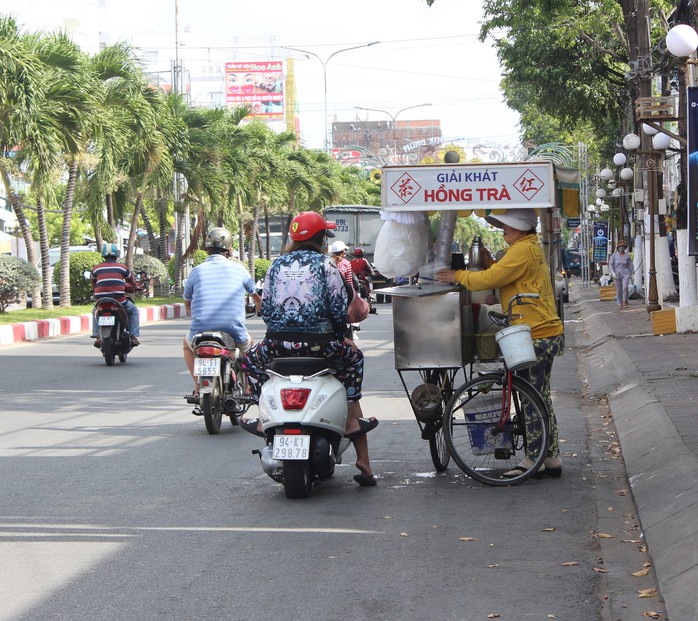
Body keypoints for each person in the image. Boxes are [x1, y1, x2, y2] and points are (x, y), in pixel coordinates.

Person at [240, 211, 378, 486]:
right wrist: (341, 337)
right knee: (354, 361)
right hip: (321, 346)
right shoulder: (328, 266)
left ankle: (259, 415)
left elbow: (265, 309)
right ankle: (351, 421)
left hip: (277, 345)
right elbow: (340, 311)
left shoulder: (276, 266)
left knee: (247, 362)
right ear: (321, 239)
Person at [435, 209, 564, 479]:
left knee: (532, 399)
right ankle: (549, 456)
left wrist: (457, 276)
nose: (503, 229)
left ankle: (534, 459)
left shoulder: (522, 250)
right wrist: (494, 271)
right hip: (542, 330)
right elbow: (507, 277)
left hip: (535, 332)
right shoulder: (526, 248)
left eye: (507, 226)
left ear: (519, 228)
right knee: (539, 397)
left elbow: (490, 278)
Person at [183, 227, 261, 397]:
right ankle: (248, 387)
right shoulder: (239, 269)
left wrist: (191, 309)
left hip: (200, 331)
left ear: (207, 248)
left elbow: (187, 302)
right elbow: (255, 296)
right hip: (234, 330)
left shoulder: (196, 271)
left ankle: (198, 385)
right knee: (248, 348)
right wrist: (259, 307)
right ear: (229, 249)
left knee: (186, 346)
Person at [91, 243, 140, 347]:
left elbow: (93, 282)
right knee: (133, 311)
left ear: (103, 255)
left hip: (101, 299)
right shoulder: (122, 268)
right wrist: (136, 288)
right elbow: (132, 281)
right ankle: (133, 336)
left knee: (95, 311)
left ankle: (97, 336)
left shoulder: (96, 268)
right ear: (116, 255)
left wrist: (94, 290)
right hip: (119, 300)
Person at [608, 240, 632, 310]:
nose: (622, 248)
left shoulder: (627, 256)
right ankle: (619, 303)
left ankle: (625, 301)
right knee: (618, 290)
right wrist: (612, 272)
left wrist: (632, 273)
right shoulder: (614, 256)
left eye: (623, 247)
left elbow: (630, 265)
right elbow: (610, 264)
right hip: (616, 273)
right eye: (620, 247)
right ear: (618, 248)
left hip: (625, 273)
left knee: (625, 287)